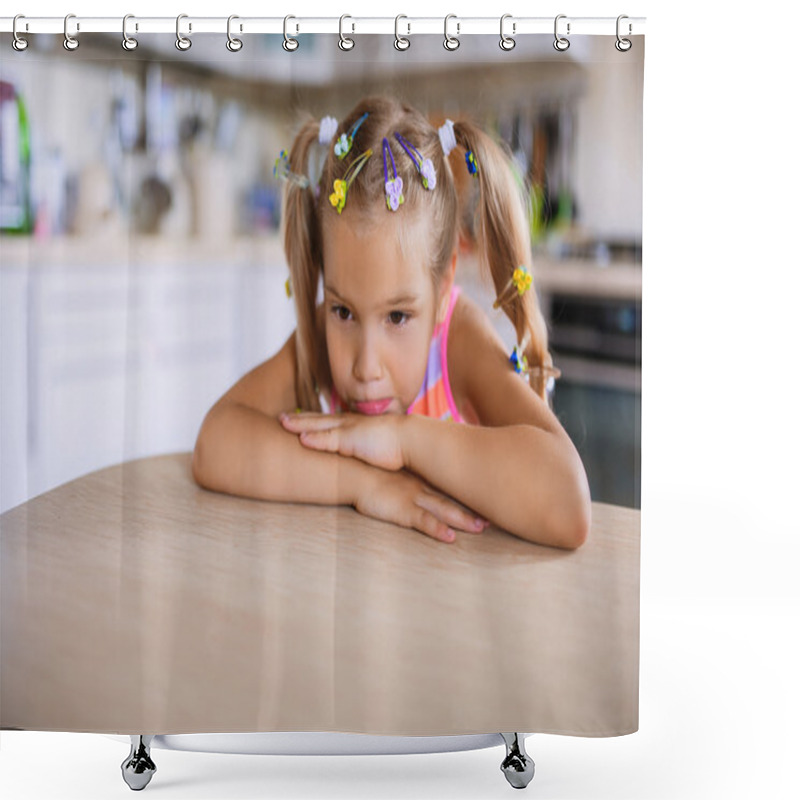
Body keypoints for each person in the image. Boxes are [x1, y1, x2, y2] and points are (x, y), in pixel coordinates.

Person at [192, 95, 591, 549]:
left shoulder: (456, 342)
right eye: (343, 310)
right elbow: (214, 444)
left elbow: (568, 504)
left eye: (398, 317)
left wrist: (402, 439)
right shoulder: (323, 345)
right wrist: (364, 484)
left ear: (442, 293)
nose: (365, 367)